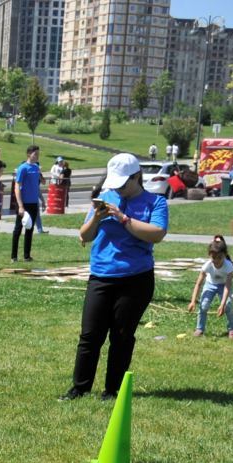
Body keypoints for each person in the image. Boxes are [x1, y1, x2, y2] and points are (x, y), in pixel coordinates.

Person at [61, 154, 168, 402]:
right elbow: (84, 236)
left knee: (121, 336)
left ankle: (112, 390)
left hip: (135, 278)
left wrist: (124, 218)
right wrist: (97, 217)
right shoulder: (106, 196)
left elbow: (157, 234)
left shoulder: (156, 202)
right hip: (101, 275)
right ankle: (79, 387)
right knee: (90, 334)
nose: (118, 188)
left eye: (123, 183)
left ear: (137, 177)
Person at [188, 235, 233, 338]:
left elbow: (228, 286)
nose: (217, 261)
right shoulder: (207, 265)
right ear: (209, 255)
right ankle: (200, 328)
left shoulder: (229, 266)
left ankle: (232, 329)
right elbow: (198, 284)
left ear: (225, 255)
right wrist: (193, 301)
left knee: (228, 305)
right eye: (214, 257)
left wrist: (222, 304)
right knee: (204, 305)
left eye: (220, 257)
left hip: (224, 286)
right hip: (210, 284)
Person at [11, 145, 44, 260]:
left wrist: (42, 201)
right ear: (29, 154)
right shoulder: (22, 168)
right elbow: (17, 187)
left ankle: (27, 256)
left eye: (38, 154)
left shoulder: (36, 168)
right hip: (23, 204)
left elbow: (39, 185)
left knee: (30, 229)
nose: (37, 156)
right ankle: (14, 256)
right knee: (18, 229)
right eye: (35, 154)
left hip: (33, 204)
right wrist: (20, 206)